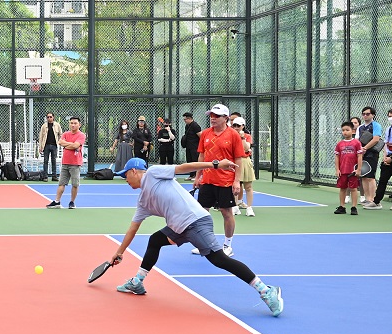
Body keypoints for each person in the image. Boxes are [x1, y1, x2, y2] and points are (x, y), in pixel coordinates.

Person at [106, 158, 284, 318]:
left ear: (134, 171)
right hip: (179, 226)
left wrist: (214, 165)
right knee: (155, 240)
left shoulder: (152, 173)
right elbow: (133, 228)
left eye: (125, 176)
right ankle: (137, 282)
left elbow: (184, 167)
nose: (125, 180)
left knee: (218, 259)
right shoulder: (143, 201)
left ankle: (266, 290)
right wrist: (119, 252)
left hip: (195, 221)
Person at [193, 104, 246, 256]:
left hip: (226, 181)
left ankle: (227, 246)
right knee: (202, 212)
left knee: (226, 212)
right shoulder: (205, 134)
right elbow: (201, 157)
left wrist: (237, 181)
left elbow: (238, 159)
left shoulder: (233, 135)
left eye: (216, 116)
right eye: (211, 115)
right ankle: (205, 244)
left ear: (226, 118)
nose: (212, 118)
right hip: (207, 180)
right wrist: (198, 177)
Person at [46, 116, 85, 209]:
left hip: (75, 163)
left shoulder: (81, 135)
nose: (73, 125)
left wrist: (68, 145)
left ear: (79, 125)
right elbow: (60, 142)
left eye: (75, 123)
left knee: (75, 184)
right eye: (71, 123)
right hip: (65, 163)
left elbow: (76, 145)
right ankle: (57, 201)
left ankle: (72, 202)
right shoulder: (65, 134)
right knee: (61, 183)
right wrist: (72, 145)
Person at [356, 107, 384, 207]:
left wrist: (365, 148)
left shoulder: (376, 125)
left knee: (370, 177)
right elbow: (357, 140)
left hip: (372, 154)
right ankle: (367, 199)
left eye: (367, 114)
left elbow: (376, 139)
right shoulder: (360, 127)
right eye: (363, 114)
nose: (365, 116)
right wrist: (360, 151)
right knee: (364, 177)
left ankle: (373, 200)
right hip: (362, 155)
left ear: (373, 115)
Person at [334, 121, 363, 215]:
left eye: (347, 130)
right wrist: (337, 169)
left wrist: (358, 169)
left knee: (353, 188)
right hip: (342, 170)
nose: (345, 132)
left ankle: (354, 207)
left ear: (352, 131)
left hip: (353, 171)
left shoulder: (357, 143)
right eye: (343, 130)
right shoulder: (339, 144)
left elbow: (359, 156)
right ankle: (342, 206)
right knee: (342, 188)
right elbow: (337, 157)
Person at [230, 116, 256, 216]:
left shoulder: (247, 136)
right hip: (234, 161)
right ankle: (235, 206)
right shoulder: (230, 135)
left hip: (245, 161)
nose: (236, 127)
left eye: (238, 125)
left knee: (248, 186)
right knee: (236, 186)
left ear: (243, 126)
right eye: (234, 125)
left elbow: (246, 148)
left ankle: (249, 208)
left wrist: (242, 138)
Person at [37, 112, 60, 181]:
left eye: (50, 117)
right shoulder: (44, 126)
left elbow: (60, 134)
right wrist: (41, 147)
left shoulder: (57, 125)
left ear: (53, 117)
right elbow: (41, 137)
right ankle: (45, 176)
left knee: (54, 161)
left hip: (54, 146)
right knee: (45, 161)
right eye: (48, 117)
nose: (49, 118)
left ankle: (54, 176)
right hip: (46, 146)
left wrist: (58, 142)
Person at [180, 112, 202, 179]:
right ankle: (191, 175)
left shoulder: (195, 125)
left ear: (189, 118)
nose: (184, 121)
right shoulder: (187, 126)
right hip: (188, 146)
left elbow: (201, 136)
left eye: (185, 119)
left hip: (195, 147)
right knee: (189, 161)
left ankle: (196, 175)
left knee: (195, 160)